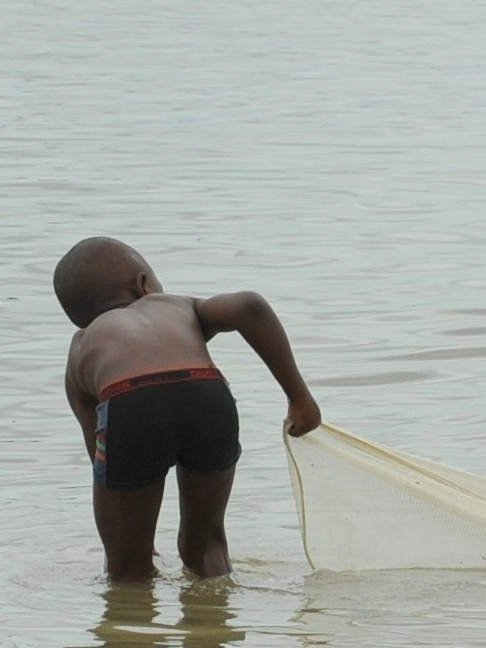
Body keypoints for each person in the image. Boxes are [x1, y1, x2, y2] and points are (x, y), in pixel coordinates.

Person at [54, 236, 320, 582]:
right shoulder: (176, 307)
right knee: (206, 543)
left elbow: (98, 451)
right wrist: (300, 398)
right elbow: (249, 307)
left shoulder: (82, 346)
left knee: (126, 565)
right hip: (206, 394)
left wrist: (127, 518)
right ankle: (213, 623)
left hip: (129, 399)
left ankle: (130, 626)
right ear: (144, 284)